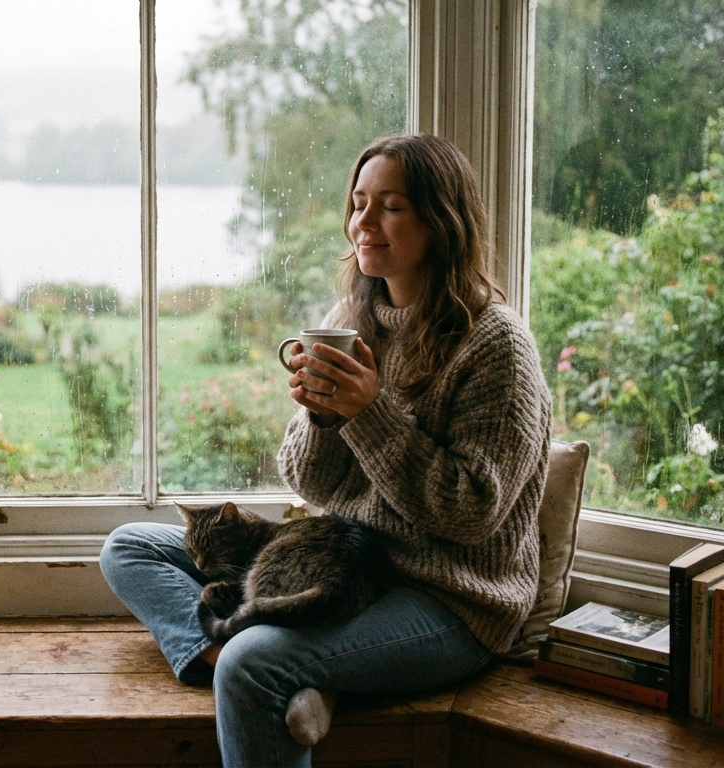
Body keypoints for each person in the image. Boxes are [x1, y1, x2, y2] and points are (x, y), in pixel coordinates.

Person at [100, 133, 551, 767]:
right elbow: (312, 485)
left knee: (251, 666)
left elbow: (470, 511)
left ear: (442, 222)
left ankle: (260, 659)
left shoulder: (496, 345)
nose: (362, 222)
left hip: (447, 599)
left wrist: (369, 412)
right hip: (340, 564)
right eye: (358, 202)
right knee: (129, 547)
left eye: (389, 206)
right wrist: (321, 412)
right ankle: (226, 652)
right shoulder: (353, 317)